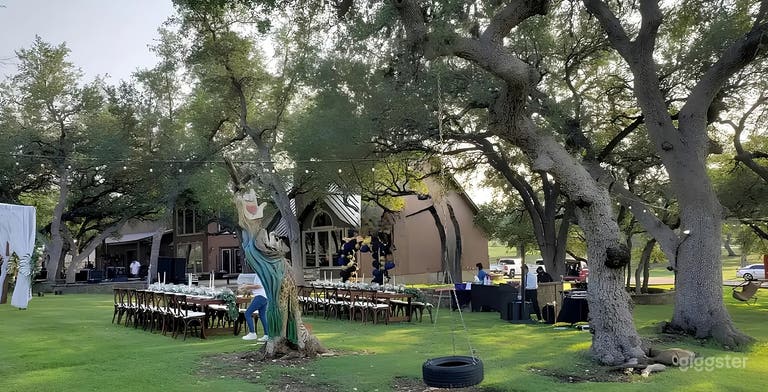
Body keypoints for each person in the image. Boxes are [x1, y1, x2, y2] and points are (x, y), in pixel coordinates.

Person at [241, 273, 269, 342]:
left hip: (260, 297)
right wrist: (249, 290)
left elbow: (258, 286)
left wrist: (247, 286)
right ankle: (267, 335)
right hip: (264, 297)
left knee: (247, 313)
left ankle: (252, 333)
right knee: (262, 315)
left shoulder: (260, 274)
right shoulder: (261, 273)